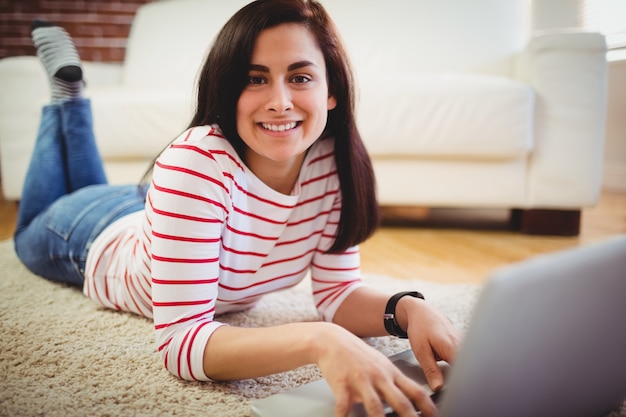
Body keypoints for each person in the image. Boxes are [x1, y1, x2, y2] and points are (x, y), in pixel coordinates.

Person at [14, 1, 459, 416]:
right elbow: (180, 342)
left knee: (96, 186)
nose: (280, 101)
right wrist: (319, 341)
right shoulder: (193, 163)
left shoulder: (331, 161)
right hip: (95, 237)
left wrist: (407, 309)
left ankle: (71, 97)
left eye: (300, 77)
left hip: (173, 205)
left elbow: (336, 294)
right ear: (227, 89)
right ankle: (67, 97)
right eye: (255, 78)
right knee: (34, 223)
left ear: (332, 91)